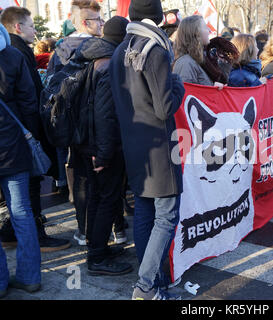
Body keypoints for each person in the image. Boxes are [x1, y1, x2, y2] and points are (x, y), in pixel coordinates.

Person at [109, 0, 185, 300]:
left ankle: (150, 280)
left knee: (144, 211)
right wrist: (178, 83)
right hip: (159, 148)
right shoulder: (154, 49)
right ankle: (146, 286)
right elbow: (165, 108)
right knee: (165, 217)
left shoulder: (119, 49)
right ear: (157, 16)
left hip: (134, 145)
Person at [1, 6, 70, 252]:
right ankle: (34, 242)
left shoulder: (13, 50)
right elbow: (28, 99)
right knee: (26, 197)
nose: (36, 30)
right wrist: (35, 135)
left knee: (20, 199)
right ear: (18, 27)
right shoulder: (15, 53)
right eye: (32, 26)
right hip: (17, 136)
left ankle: (10, 235)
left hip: (11, 136)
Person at [69, 16, 132, 276]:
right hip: (100, 146)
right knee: (106, 200)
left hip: (85, 141)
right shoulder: (108, 63)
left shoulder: (90, 55)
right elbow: (105, 115)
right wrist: (105, 154)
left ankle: (98, 248)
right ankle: (97, 257)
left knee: (98, 198)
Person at [46, 0, 104, 247]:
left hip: (72, 131)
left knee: (80, 183)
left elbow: (49, 90)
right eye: (98, 20)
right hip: (96, 127)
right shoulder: (101, 49)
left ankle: (84, 230)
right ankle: (103, 235)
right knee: (101, 185)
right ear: (84, 22)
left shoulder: (58, 52)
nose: (102, 24)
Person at [0, 23, 41, 297]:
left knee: (21, 212)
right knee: (22, 213)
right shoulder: (13, 55)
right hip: (14, 146)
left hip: (11, 145)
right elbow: (30, 103)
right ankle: (30, 277)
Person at [173, 15, 216, 86]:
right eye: (205, 27)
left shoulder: (197, 60)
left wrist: (214, 88)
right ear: (196, 33)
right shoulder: (186, 63)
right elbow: (187, 95)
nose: (209, 30)